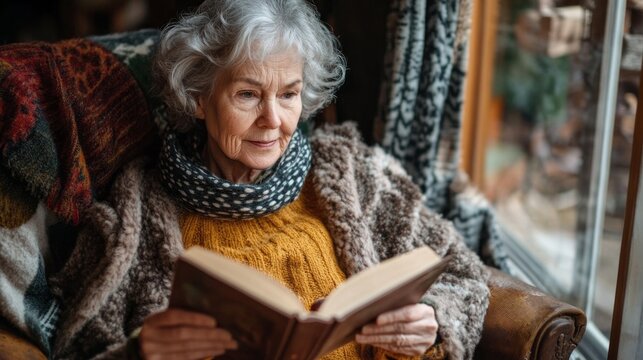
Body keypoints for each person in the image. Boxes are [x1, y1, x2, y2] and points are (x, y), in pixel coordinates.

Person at [49, 0, 490, 359]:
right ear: (199, 97)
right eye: (247, 94)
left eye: (289, 94)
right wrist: (140, 353)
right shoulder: (133, 214)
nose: (273, 120)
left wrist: (433, 320)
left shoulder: (354, 173)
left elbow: (465, 276)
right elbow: (78, 346)